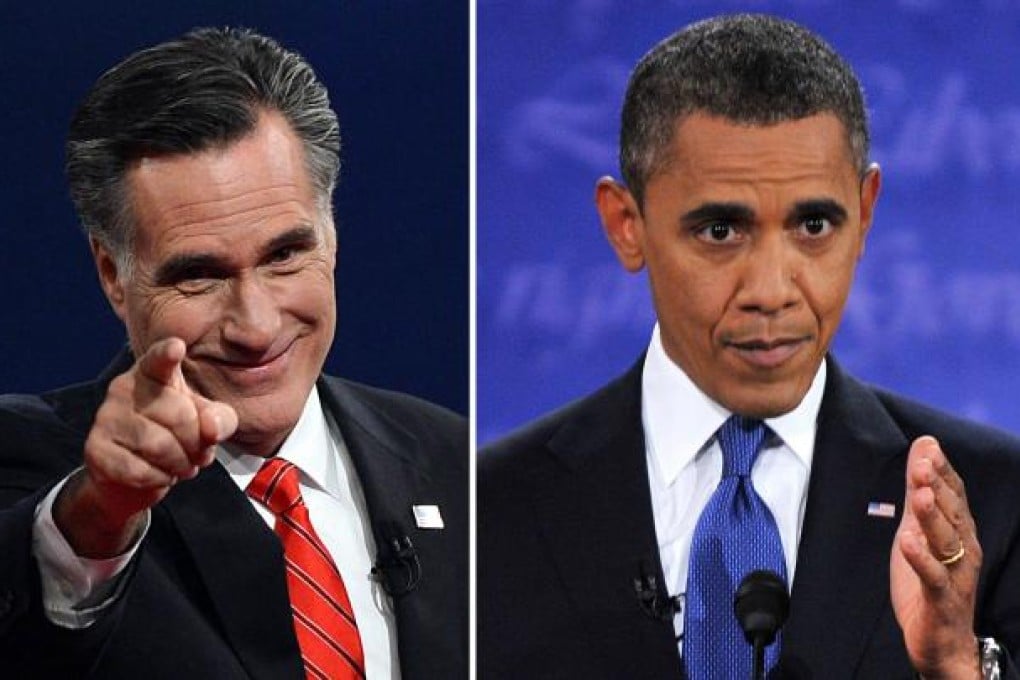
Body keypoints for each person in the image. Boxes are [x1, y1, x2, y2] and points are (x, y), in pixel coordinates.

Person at [478, 14, 1020, 679]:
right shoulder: (492, 510)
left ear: (866, 211)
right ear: (627, 226)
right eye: (720, 231)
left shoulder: (998, 502)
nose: (771, 290)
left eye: (814, 224)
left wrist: (955, 664)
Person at [0, 28, 467, 679]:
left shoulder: (456, 463)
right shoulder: (29, 462)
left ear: (331, 234)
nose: (255, 324)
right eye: (200, 274)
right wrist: (101, 512)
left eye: (283, 255)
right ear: (113, 273)